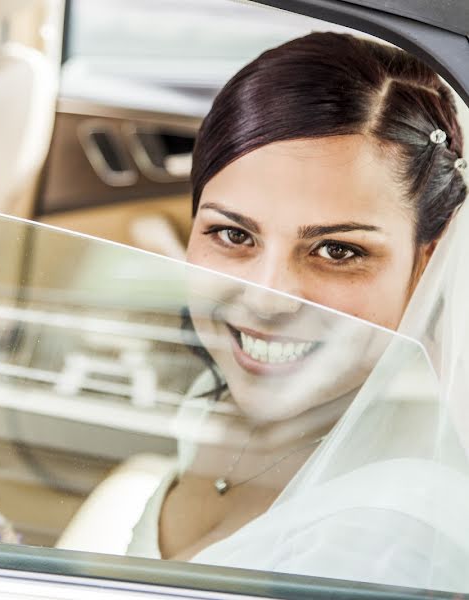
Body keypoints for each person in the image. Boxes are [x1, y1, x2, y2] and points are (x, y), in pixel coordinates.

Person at [125, 31, 468, 588]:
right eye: (233, 234)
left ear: (426, 263)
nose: (265, 298)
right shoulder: (216, 401)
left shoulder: (388, 548)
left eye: (338, 251)